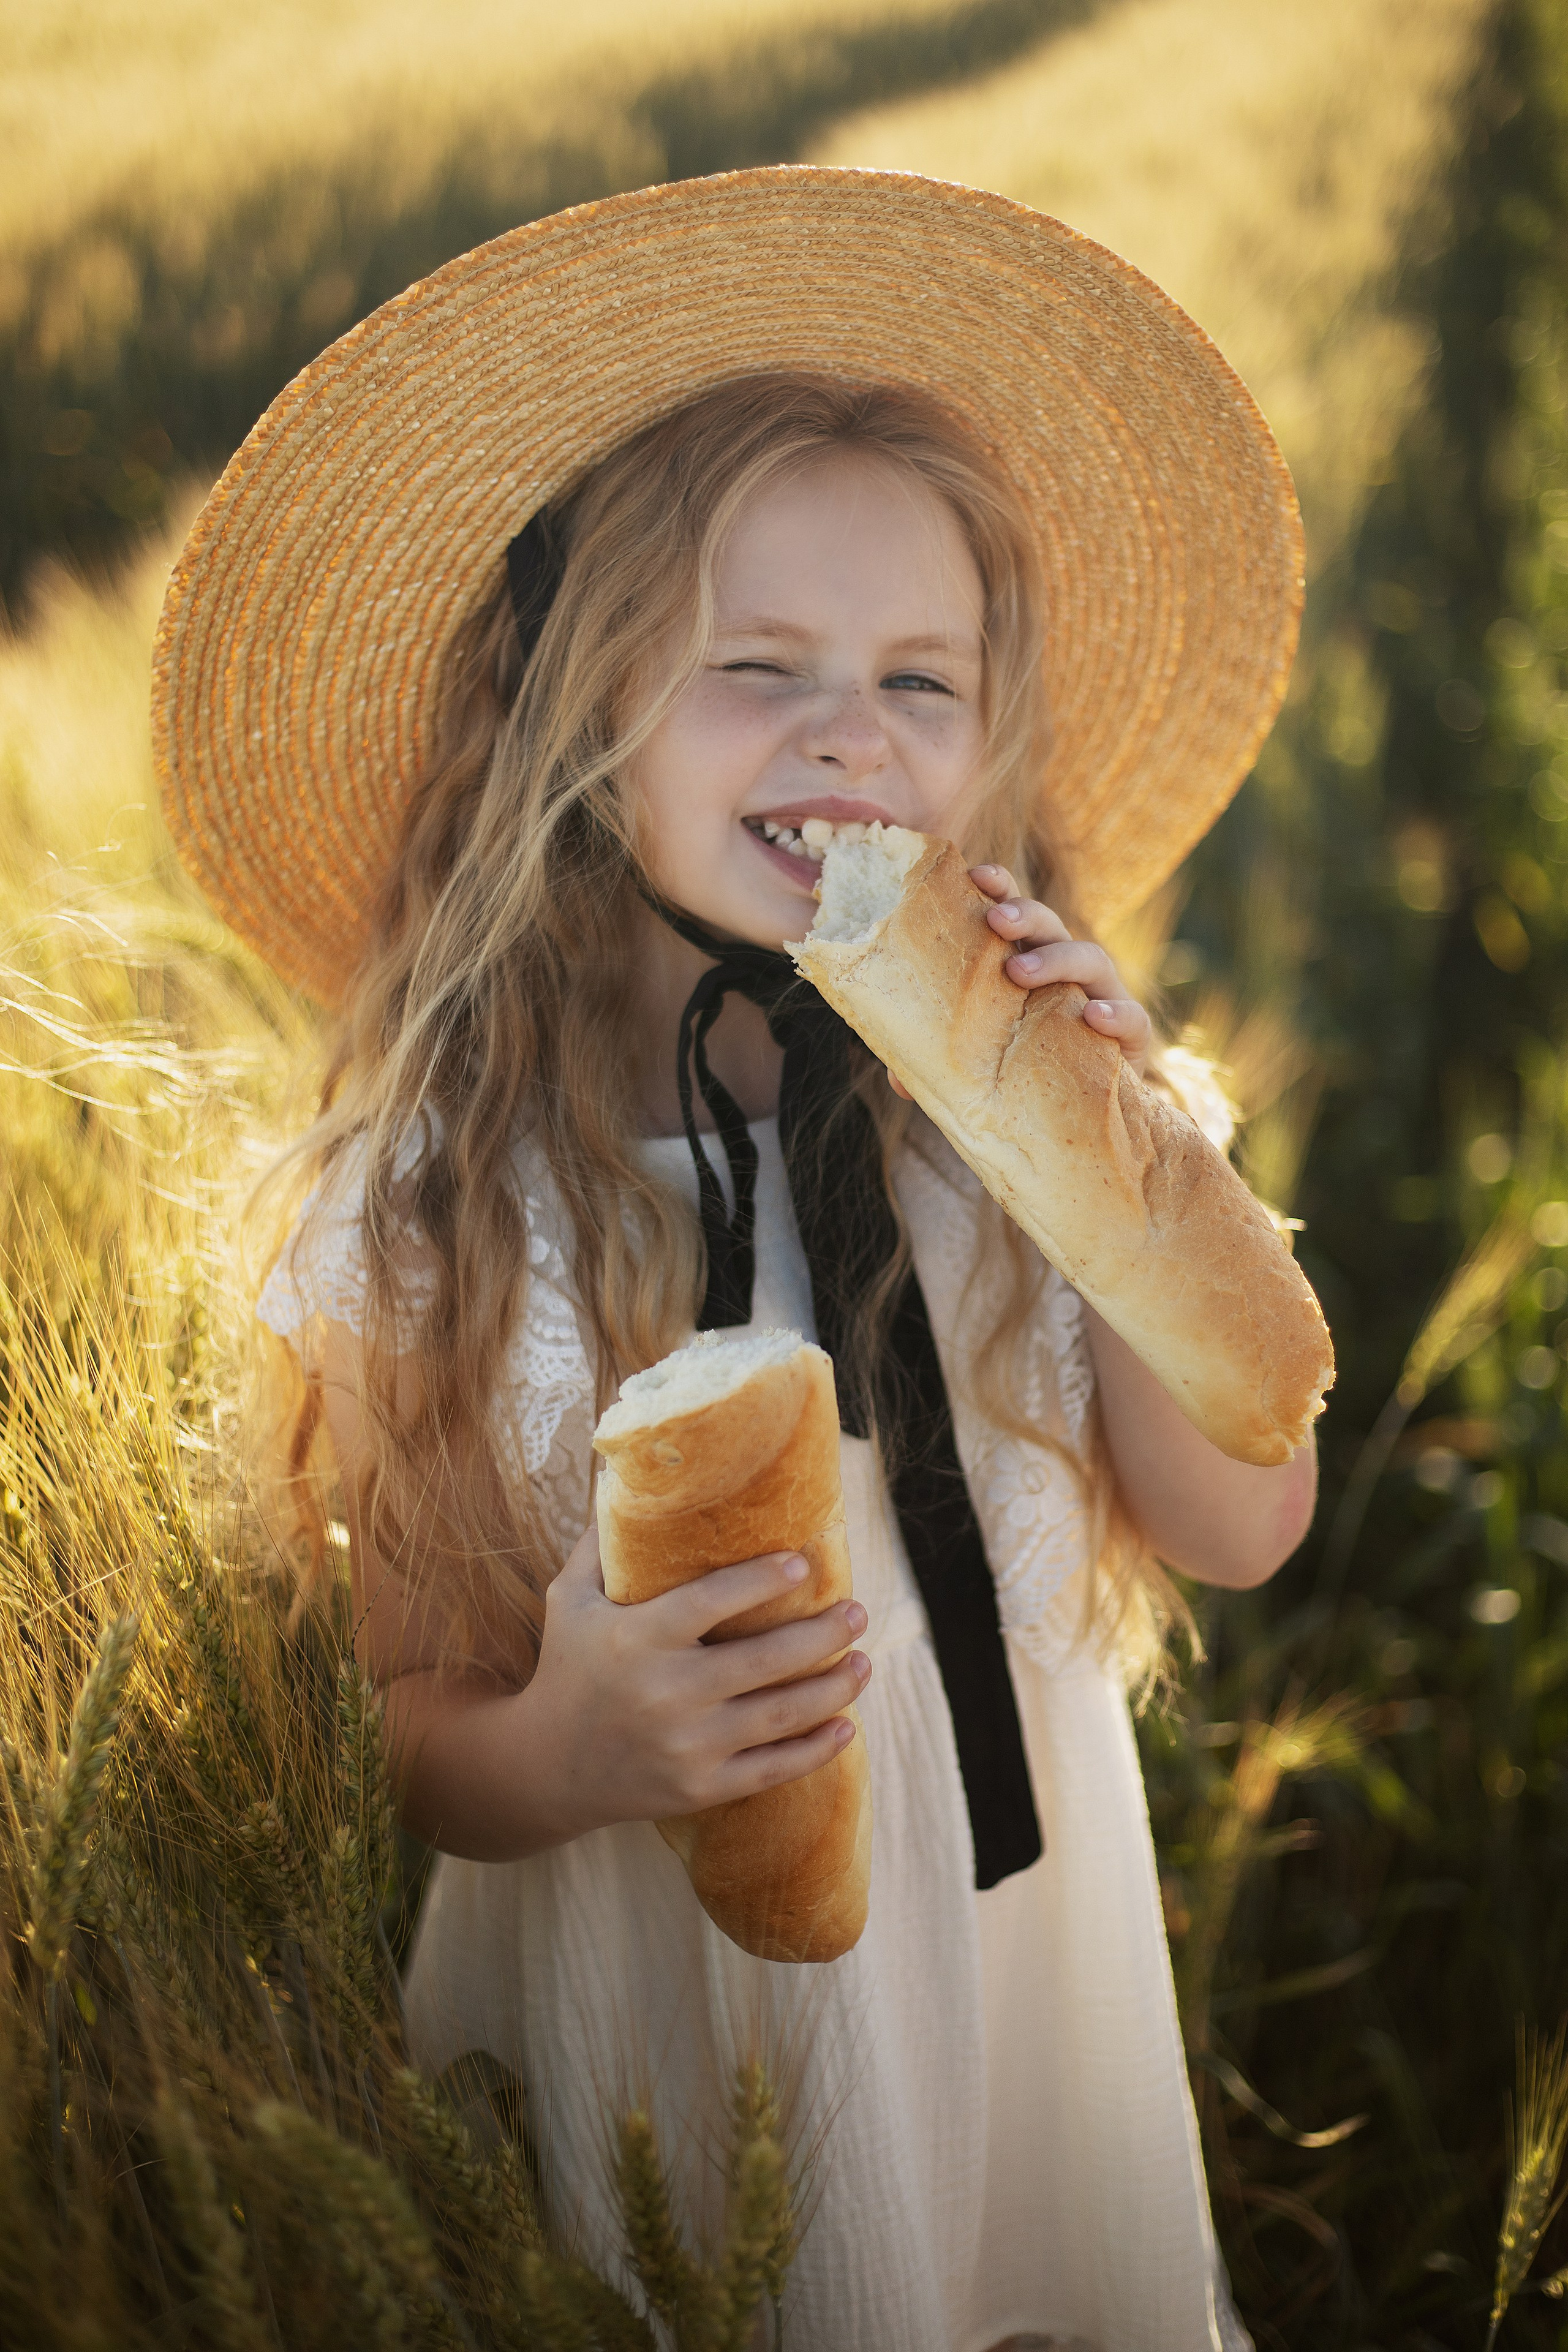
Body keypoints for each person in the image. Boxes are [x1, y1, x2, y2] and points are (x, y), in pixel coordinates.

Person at [154, 168, 1317, 2351]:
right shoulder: (449, 1190)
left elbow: (1245, 1522)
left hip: (1018, 2009)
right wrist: (578, 1743)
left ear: (989, 736)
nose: (846, 732)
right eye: (751, 669)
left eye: (917, 680)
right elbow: (420, 1719)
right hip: (662, 2043)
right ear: (575, 713)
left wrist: (1135, 1167)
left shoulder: (1030, 1128)